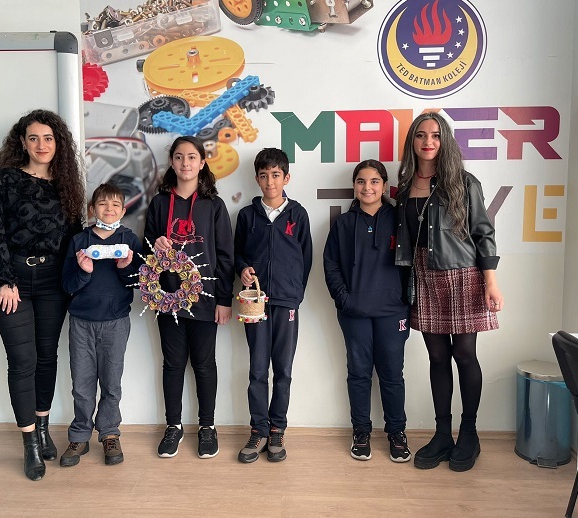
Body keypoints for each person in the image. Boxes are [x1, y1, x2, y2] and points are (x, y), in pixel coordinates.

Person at [395, 112, 503, 472]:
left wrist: (491, 281)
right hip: (424, 275)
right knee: (437, 357)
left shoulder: (463, 182)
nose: (428, 141)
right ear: (412, 141)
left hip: (462, 273)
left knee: (465, 355)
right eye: (421, 135)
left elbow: (483, 232)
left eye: (436, 135)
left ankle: (469, 433)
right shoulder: (405, 185)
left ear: (445, 141)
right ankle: (443, 433)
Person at [0, 109, 84, 481]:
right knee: (22, 361)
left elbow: (74, 238)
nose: (42, 145)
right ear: (22, 142)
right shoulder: (5, 180)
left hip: (54, 283)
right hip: (14, 283)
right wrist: (4, 280)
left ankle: (42, 427)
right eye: (34, 138)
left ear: (58, 143)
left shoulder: (67, 184)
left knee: (45, 357)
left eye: (48, 138)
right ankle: (29, 445)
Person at [142, 136, 234, 459]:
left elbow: (225, 256)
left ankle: (207, 426)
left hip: (206, 300)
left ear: (202, 163)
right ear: (172, 162)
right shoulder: (159, 203)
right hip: (168, 300)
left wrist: (224, 299)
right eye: (179, 157)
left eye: (192, 157)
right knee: (173, 364)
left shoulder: (214, 205)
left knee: (204, 364)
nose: (185, 163)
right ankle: (174, 426)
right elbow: (146, 252)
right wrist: (156, 244)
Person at [323, 160, 411, 463]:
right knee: (358, 374)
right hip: (354, 312)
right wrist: (345, 300)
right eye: (361, 181)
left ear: (384, 186)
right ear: (354, 186)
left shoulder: (400, 219)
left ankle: (397, 433)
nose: (367, 187)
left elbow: (414, 263)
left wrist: (405, 300)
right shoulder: (343, 224)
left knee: (392, 375)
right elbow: (331, 265)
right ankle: (361, 432)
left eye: (374, 181)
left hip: (393, 312)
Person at [234, 148, 313, 463]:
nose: (270, 181)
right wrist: (242, 268)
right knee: (257, 369)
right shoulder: (247, 216)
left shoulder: (298, 214)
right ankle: (259, 430)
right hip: (255, 303)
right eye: (264, 175)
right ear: (257, 179)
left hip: (286, 302)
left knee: (283, 369)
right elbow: (237, 254)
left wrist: (295, 293)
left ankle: (277, 428)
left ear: (286, 178)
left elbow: (306, 258)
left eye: (276, 175)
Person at [59, 183, 144, 467]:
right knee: (82, 383)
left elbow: (138, 282)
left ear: (123, 210)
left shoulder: (129, 240)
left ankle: (109, 433)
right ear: (92, 209)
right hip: (81, 322)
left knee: (111, 382)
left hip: (116, 321)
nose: (109, 209)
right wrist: (84, 272)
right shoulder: (79, 241)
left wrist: (125, 268)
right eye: (103, 204)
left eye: (115, 204)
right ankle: (80, 435)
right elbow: (67, 285)